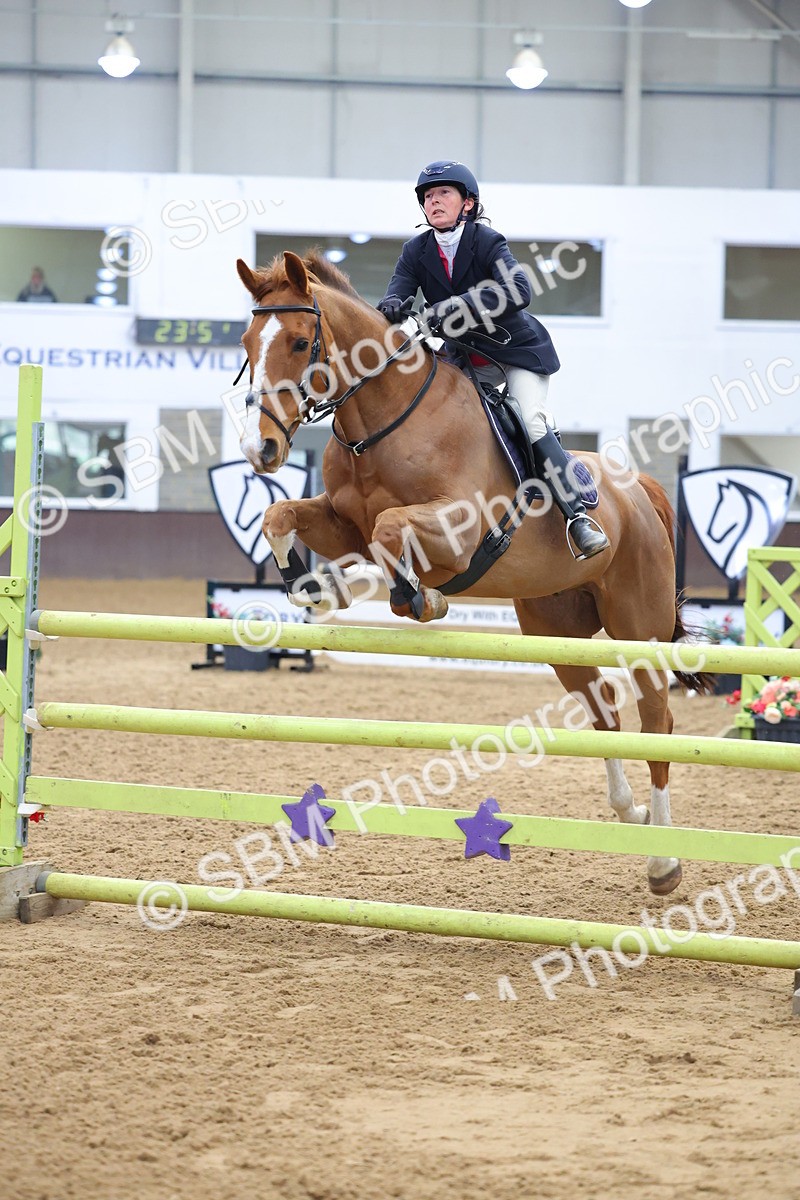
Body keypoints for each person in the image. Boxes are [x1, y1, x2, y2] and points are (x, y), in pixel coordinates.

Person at [377, 160, 609, 560]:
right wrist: (392, 304)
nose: (434, 201)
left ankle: (577, 517)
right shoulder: (415, 251)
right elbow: (396, 291)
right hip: (465, 358)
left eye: (443, 194)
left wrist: (455, 306)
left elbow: (518, 290)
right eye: (428, 197)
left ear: (467, 203)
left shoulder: (486, 241)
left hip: (515, 352)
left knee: (528, 418)